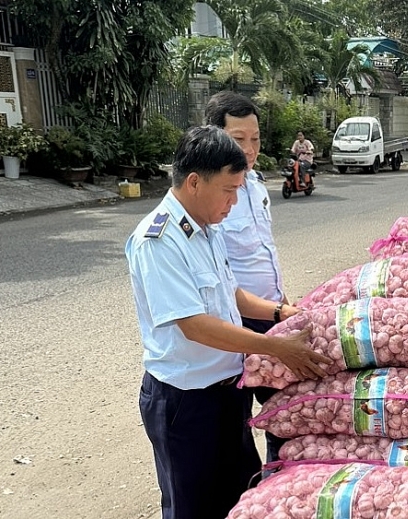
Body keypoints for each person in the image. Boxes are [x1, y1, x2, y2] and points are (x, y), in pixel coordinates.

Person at [125, 125, 331, 519]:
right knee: (193, 507)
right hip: (185, 401)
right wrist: (275, 346)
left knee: (239, 498)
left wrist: (278, 313)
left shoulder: (206, 229)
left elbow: (231, 294)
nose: (234, 202)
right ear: (194, 182)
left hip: (226, 393)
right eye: (228, 190)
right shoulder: (158, 240)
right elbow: (194, 325)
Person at [204, 91, 291, 468]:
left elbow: (262, 249)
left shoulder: (254, 184)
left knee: (283, 410)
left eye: (255, 139)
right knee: (235, 416)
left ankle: (279, 481)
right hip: (236, 320)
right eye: (239, 140)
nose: (250, 148)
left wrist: (282, 302)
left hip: (271, 310)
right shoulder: (210, 196)